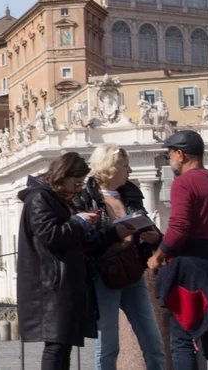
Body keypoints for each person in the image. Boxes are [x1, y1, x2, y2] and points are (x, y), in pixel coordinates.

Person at [18, 152, 130, 370]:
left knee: (64, 345)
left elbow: (78, 243)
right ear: (63, 176)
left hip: (63, 283)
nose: (78, 189)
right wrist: (79, 222)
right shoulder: (40, 198)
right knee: (56, 346)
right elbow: (50, 235)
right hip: (51, 285)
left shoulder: (58, 199)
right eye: (76, 183)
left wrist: (112, 234)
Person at [147, 131, 208, 370]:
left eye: (168, 155)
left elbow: (179, 227)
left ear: (180, 155)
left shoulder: (184, 183)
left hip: (191, 270)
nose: (168, 160)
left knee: (182, 340)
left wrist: (158, 256)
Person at [71, 144, 165, 370]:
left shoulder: (131, 192)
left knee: (154, 342)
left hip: (133, 273)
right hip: (104, 275)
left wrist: (155, 238)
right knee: (108, 345)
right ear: (111, 168)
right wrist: (113, 233)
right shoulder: (84, 197)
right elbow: (83, 243)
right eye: (125, 165)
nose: (130, 170)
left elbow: (144, 226)